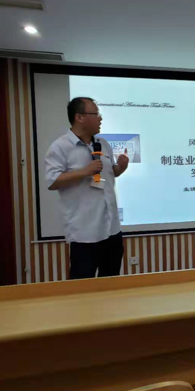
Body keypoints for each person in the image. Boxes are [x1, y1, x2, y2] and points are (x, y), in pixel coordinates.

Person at [45, 97, 129, 279]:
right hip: (84, 234)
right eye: (96, 114)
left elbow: (110, 173)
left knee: (111, 284)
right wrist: (84, 171)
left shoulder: (103, 144)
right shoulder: (60, 147)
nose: (100, 118)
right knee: (82, 288)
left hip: (112, 230)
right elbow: (52, 181)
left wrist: (120, 168)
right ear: (79, 117)